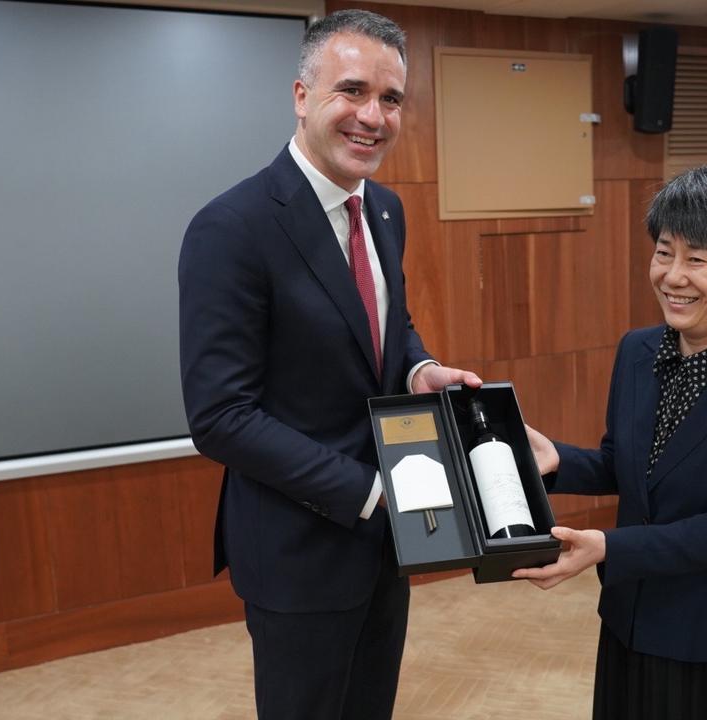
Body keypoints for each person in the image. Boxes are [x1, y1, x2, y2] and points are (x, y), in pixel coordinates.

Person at [177, 10, 480, 719]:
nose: (373, 117)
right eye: (352, 91)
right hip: (299, 552)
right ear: (302, 95)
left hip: (387, 544)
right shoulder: (232, 229)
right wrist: (369, 493)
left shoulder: (385, 211)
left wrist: (419, 371)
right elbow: (221, 417)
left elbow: (385, 328)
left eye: (392, 99)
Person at [516, 163, 707, 719]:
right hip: (631, 621)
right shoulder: (637, 350)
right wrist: (557, 461)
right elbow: (628, 465)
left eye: (697, 259)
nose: (673, 275)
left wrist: (607, 547)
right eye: (663, 252)